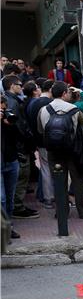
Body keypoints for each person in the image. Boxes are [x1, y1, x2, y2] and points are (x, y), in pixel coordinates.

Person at [37, 81, 83, 219]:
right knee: (78, 181)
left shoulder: (44, 109)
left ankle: (62, 212)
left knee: (59, 182)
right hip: (72, 150)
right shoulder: (74, 109)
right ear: (64, 93)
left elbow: (40, 129)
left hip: (53, 152)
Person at [3, 76, 39, 219]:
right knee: (21, 176)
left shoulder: (11, 100)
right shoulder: (12, 102)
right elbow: (18, 126)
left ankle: (16, 206)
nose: (21, 87)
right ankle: (17, 207)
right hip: (18, 147)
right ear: (12, 86)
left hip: (16, 147)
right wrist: (27, 140)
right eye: (19, 85)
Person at [27, 80, 54, 208]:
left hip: (39, 141)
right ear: (51, 89)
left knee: (45, 169)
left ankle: (47, 197)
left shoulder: (33, 103)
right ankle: (54, 197)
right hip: (50, 141)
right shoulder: (50, 104)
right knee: (56, 169)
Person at [1, 96, 21, 239]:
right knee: (1, 198)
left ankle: (8, 227)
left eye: (3, 108)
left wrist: (10, 125)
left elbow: (21, 138)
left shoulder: (8, 120)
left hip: (11, 161)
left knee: (9, 198)